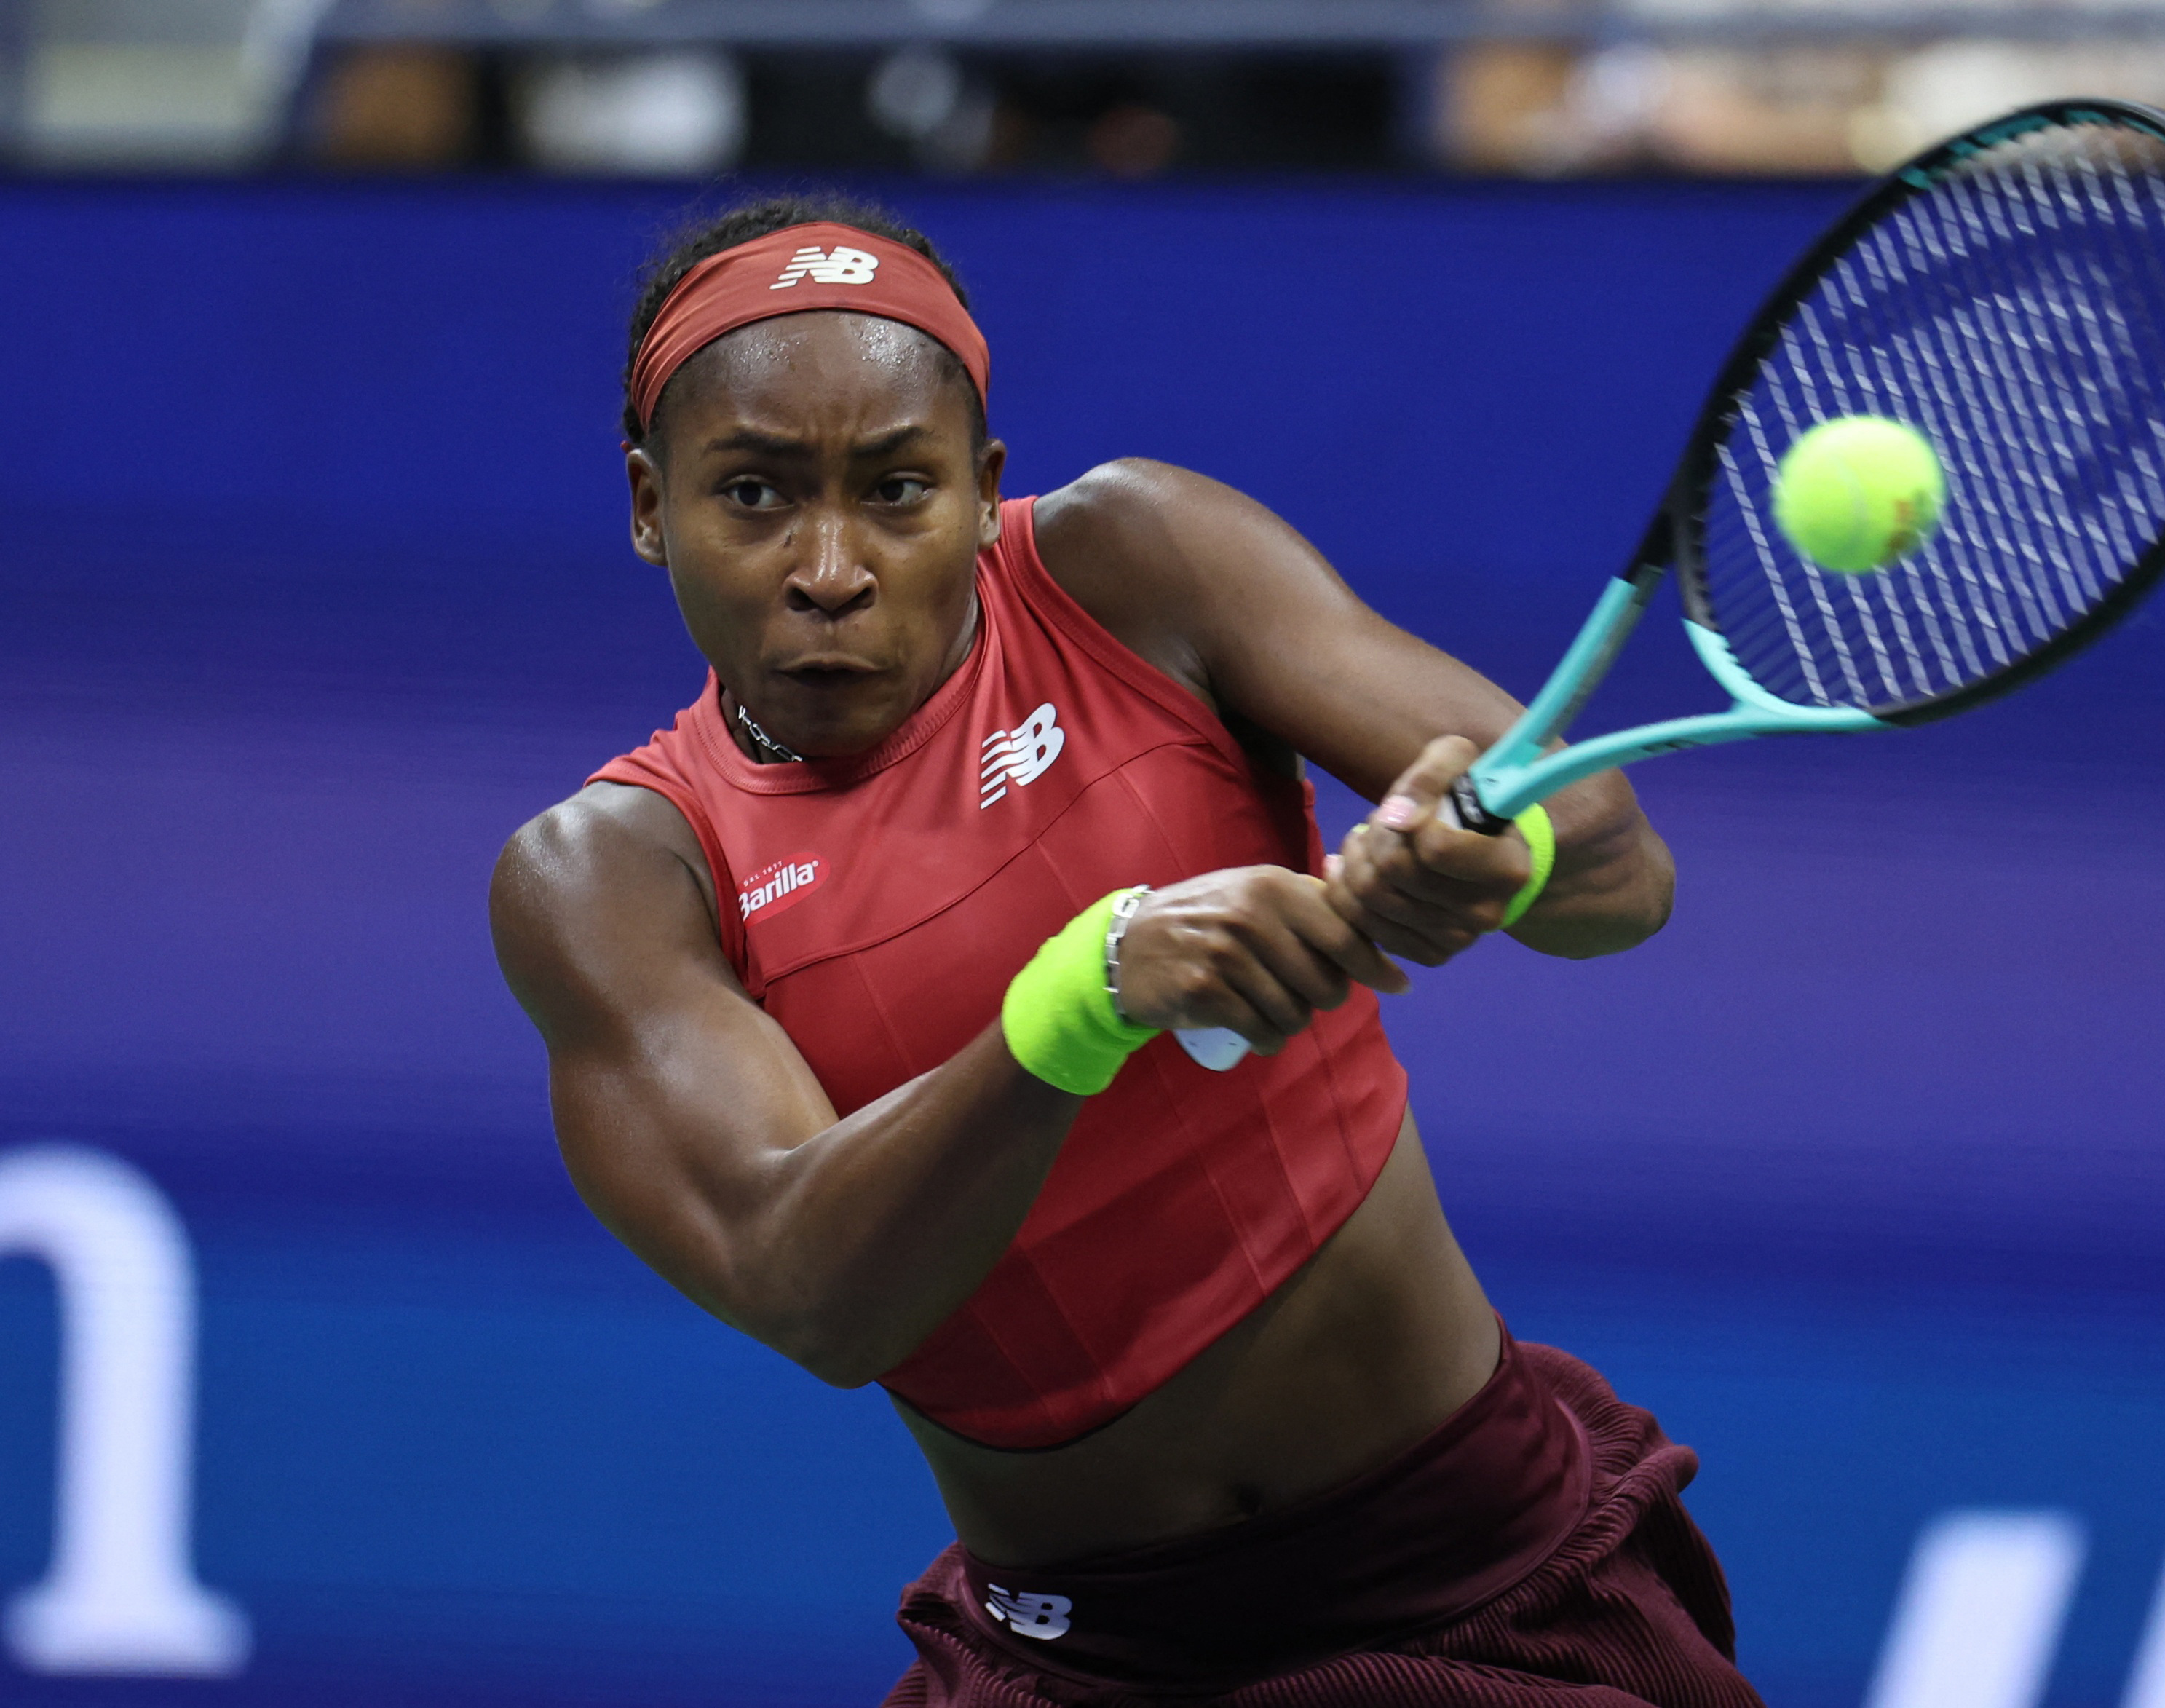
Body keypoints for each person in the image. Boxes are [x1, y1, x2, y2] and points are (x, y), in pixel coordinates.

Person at [491, 193, 1763, 1708]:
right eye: (753, 495)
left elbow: (1620, 871)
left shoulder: (1133, 569)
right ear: (649, 504)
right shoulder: (617, 877)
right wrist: (1078, 1001)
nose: (828, 565)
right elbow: (809, 1286)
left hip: (1489, 1571)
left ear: (981, 489)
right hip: (1093, 1660)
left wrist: (1497, 856)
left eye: (897, 491)